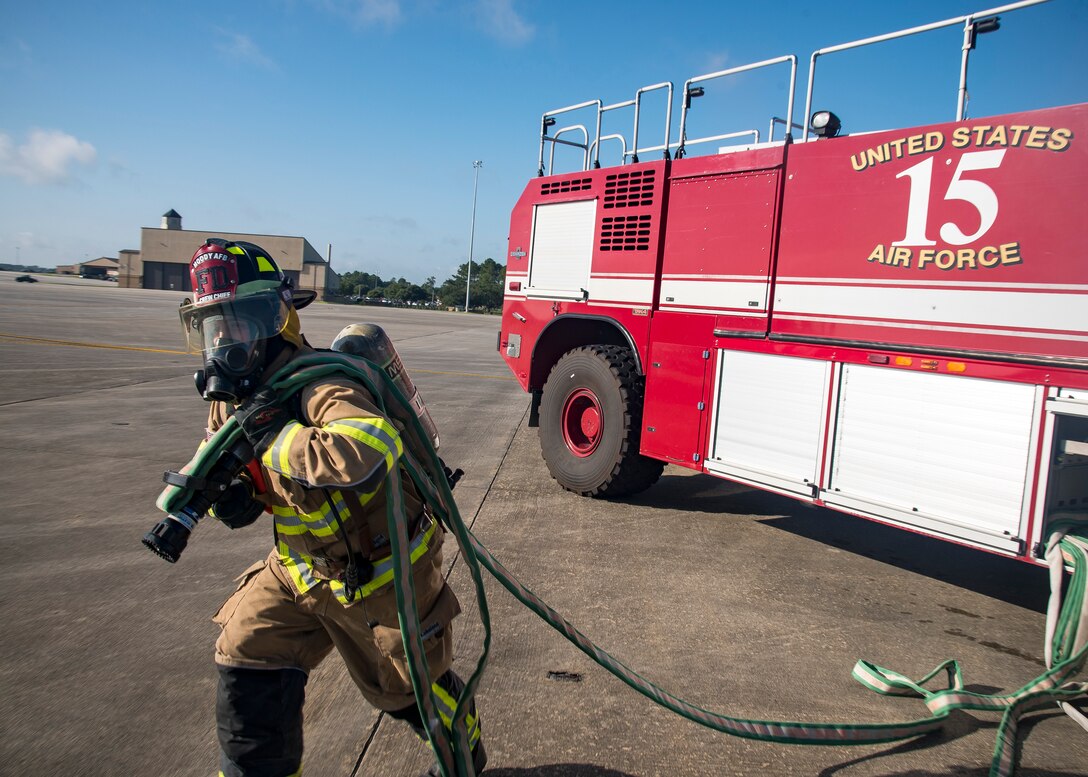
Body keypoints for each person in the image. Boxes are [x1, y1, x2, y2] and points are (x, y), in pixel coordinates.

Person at [177, 238, 485, 776]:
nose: (225, 340)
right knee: (246, 649)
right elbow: (256, 480)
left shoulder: (321, 382)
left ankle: (464, 755)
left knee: (407, 690)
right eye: (212, 326)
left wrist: (277, 438)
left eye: (238, 321)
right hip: (300, 571)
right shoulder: (232, 399)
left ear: (277, 318)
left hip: (382, 576)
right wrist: (238, 496)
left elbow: (368, 446)